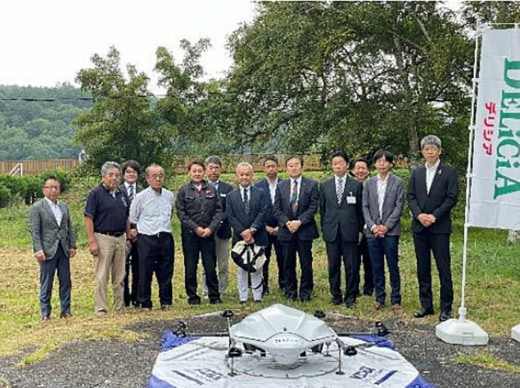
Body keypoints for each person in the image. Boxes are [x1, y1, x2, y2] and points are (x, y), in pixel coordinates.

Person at [408, 135, 459, 322]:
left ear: (439, 151)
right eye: (426, 148)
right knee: (423, 267)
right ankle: (426, 305)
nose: (430, 151)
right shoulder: (417, 173)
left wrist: (434, 216)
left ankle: (446, 307)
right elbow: (411, 196)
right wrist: (419, 215)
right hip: (420, 227)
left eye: (433, 148)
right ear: (422, 152)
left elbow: (451, 198)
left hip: (439, 227)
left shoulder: (449, 172)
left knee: (443, 267)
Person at [85, 161, 130, 316]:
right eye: (111, 175)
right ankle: (101, 308)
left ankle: (119, 306)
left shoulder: (122, 193)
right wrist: (91, 241)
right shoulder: (95, 194)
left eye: (117, 176)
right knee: (102, 274)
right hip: (103, 237)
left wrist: (128, 236)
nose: (114, 178)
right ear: (103, 176)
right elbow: (89, 218)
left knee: (120, 275)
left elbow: (126, 216)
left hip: (120, 237)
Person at [362, 150, 405, 315]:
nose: (382, 164)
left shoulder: (398, 182)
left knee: (393, 265)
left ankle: (396, 299)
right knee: (376, 265)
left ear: (391, 164)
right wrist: (372, 226)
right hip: (372, 231)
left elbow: (399, 206)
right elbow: (364, 206)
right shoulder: (369, 183)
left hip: (391, 231)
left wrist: (386, 226)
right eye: (379, 161)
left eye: (385, 161)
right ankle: (379, 298)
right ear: (375, 164)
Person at [320, 151, 364, 308]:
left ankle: (350, 296)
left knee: (351, 265)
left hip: (350, 231)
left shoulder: (356, 185)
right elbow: (323, 210)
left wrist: (360, 230)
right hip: (332, 231)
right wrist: (325, 228)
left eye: (340, 163)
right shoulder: (325, 185)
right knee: (333, 265)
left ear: (346, 164)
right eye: (334, 163)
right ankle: (336, 295)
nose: (337, 166)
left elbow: (360, 211)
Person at [176, 161, 223, 305]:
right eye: (194, 171)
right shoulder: (184, 191)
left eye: (200, 171)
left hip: (208, 234)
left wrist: (210, 228)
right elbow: (181, 213)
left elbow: (218, 210)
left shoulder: (211, 190)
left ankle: (214, 296)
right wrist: (196, 228)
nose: (197, 174)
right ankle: (192, 296)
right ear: (189, 173)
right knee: (190, 266)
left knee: (210, 266)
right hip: (191, 234)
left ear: (204, 172)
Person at [30, 176, 76, 321]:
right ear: (44, 190)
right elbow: (35, 231)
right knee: (46, 282)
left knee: (65, 281)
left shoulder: (64, 206)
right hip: (47, 250)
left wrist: (72, 245)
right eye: (50, 187)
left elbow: (69, 227)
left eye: (56, 187)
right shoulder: (37, 207)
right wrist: (38, 249)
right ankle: (45, 313)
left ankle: (66, 310)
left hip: (63, 248)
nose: (53, 190)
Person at [273, 155, 319, 302]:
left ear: (302, 167)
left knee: (306, 263)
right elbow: (277, 208)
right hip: (287, 231)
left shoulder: (311, 184)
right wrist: (287, 222)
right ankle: (290, 292)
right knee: (288, 263)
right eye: (290, 165)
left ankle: (305, 293)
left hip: (304, 230)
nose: (293, 168)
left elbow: (313, 207)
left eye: (296, 165)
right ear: (286, 168)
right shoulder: (281, 186)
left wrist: (299, 222)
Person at [129, 164, 174, 310]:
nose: (158, 179)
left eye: (161, 176)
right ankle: (144, 301)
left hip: (165, 236)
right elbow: (133, 218)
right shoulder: (140, 197)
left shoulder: (169, 195)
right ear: (147, 178)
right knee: (144, 271)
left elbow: (170, 214)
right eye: (154, 176)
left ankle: (165, 301)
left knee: (166, 270)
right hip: (147, 238)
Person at [226, 162, 268, 303]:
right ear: (237, 176)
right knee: (242, 268)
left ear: (252, 176)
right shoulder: (231, 196)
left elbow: (263, 212)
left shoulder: (260, 193)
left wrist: (252, 230)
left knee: (257, 266)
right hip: (240, 237)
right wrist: (243, 232)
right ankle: (243, 296)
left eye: (247, 174)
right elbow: (230, 216)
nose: (245, 177)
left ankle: (257, 296)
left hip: (257, 235)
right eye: (242, 174)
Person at [203, 156, 233, 295]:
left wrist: (218, 223)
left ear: (220, 169)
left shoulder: (228, 188)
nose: (213, 171)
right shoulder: (200, 187)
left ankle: (223, 289)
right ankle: (206, 289)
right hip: (205, 231)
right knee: (207, 263)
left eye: (216, 168)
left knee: (223, 264)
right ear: (206, 170)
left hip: (222, 231)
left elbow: (230, 209)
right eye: (211, 168)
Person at [254, 155, 284, 294]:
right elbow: (256, 209)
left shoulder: (285, 184)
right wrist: (265, 226)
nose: (271, 169)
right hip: (263, 228)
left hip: (282, 227)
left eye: (273, 166)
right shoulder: (258, 186)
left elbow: (287, 208)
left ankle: (284, 284)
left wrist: (280, 225)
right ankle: (263, 287)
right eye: (268, 167)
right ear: (263, 169)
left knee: (283, 258)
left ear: (278, 167)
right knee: (263, 259)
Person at [119, 160, 143, 307]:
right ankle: (123, 298)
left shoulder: (144, 191)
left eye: (134, 172)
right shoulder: (117, 190)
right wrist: (127, 232)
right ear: (123, 175)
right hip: (122, 234)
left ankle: (137, 297)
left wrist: (137, 230)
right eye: (128, 172)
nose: (131, 174)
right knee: (122, 268)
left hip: (141, 233)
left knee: (139, 267)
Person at [351, 157, 374, 297]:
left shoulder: (372, 185)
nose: (360, 171)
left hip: (371, 229)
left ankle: (369, 288)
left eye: (363, 168)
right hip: (353, 230)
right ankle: (354, 288)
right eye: (357, 168)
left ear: (368, 170)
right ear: (352, 170)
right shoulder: (349, 186)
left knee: (370, 260)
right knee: (353, 261)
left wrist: (368, 226)